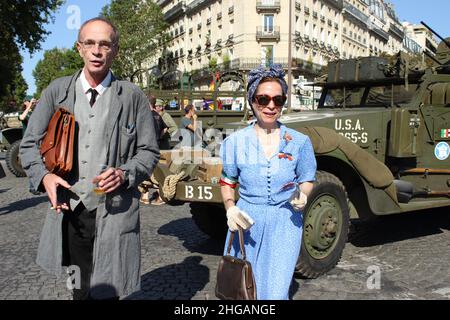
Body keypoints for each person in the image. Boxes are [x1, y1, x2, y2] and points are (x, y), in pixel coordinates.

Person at [19, 17, 160, 300]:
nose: (97, 51)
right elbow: (28, 145)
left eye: (105, 44)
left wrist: (124, 173)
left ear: (115, 51)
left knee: (110, 288)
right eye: (90, 43)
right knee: (78, 289)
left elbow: (149, 152)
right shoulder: (57, 92)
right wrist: (44, 176)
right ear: (79, 48)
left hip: (115, 211)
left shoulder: (132, 97)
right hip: (70, 209)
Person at [219, 64, 317, 300]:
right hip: (246, 222)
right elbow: (228, 180)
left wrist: (303, 194)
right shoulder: (235, 142)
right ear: (252, 100)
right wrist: (230, 208)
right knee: (243, 288)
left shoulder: (300, 142)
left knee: (275, 290)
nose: (271, 106)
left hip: (285, 222)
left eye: (278, 99)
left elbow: (307, 178)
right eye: (263, 99)